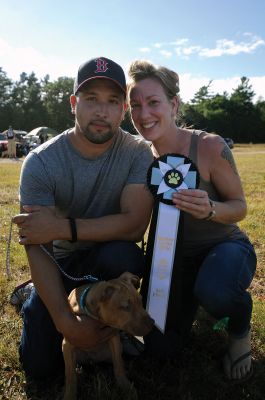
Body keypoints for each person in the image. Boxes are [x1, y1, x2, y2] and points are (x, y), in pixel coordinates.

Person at [12, 57, 154, 380]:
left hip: (106, 260)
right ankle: (32, 297)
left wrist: (63, 227)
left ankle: (110, 322)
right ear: (74, 104)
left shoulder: (136, 153)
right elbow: (38, 244)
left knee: (126, 254)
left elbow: (134, 225)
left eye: (112, 101)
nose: (102, 111)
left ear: (123, 110)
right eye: (91, 99)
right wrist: (65, 322)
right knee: (41, 370)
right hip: (59, 264)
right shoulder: (40, 162)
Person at [127, 60, 257, 382]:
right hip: (172, 262)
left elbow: (240, 207)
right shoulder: (138, 155)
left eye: (154, 102)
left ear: (174, 104)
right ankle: (192, 301)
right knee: (160, 348)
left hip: (224, 246)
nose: (144, 115)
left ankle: (239, 326)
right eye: (135, 105)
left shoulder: (210, 146)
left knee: (215, 290)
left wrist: (210, 209)